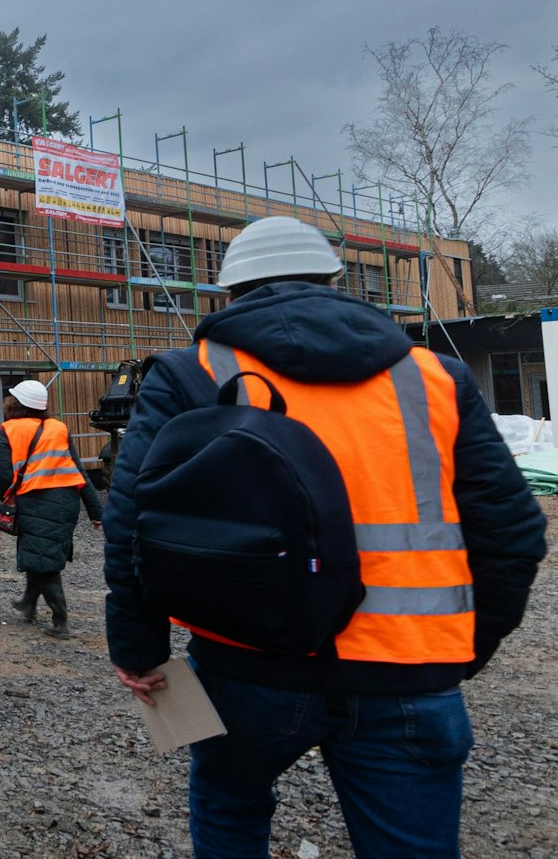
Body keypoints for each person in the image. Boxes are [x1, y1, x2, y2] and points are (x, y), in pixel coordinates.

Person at [102, 216, 546, 859]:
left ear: (230, 294)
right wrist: (461, 648)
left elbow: (131, 518)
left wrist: (140, 648)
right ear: (338, 284)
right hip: (407, 671)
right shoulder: (433, 377)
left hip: (247, 663)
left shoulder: (188, 373)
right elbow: (511, 531)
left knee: (232, 810)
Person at [0, 378, 102, 639]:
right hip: (66, 502)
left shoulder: (10, 429)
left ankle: (60, 621)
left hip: (35, 500)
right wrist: (96, 512)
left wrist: (8, 499)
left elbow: (4, 476)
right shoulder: (58, 428)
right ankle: (28, 603)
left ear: (15, 404)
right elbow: (79, 471)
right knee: (38, 553)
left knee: (45, 561)